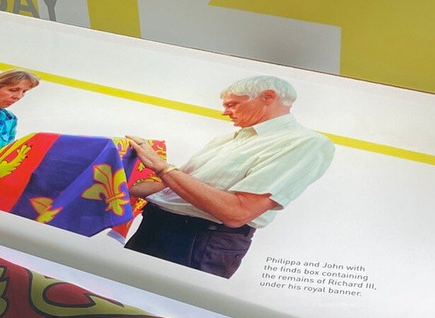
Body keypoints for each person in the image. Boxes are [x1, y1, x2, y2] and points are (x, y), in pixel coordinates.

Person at [125, 75, 334, 279]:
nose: (225, 112)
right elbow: (171, 188)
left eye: (232, 104)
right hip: (156, 229)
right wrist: (114, 183)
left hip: (197, 241)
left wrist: (161, 167)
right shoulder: (226, 139)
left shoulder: (305, 143)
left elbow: (237, 213)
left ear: (268, 97)